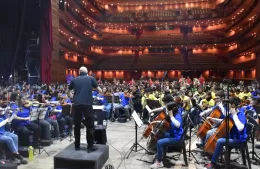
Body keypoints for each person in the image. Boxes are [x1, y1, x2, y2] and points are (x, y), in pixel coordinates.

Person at [205, 97, 247, 169]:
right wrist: (213, 119)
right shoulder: (231, 113)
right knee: (211, 133)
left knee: (220, 141)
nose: (228, 106)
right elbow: (223, 121)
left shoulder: (240, 114)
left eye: (229, 104)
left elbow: (240, 127)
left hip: (239, 139)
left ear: (233, 105)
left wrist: (234, 115)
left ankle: (213, 163)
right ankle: (213, 155)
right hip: (231, 136)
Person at [68, 66, 102, 152]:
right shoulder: (91, 78)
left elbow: (68, 92)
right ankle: (90, 147)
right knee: (89, 125)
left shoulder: (74, 80)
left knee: (77, 125)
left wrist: (72, 97)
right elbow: (99, 90)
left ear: (79, 72)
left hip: (77, 104)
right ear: (87, 72)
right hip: (87, 104)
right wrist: (101, 91)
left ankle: (77, 146)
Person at [150, 102, 183, 169]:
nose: (166, 111)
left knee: (160, 142)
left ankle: (159, 162)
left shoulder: (177, 115)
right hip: (172, 134)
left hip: (177, 138)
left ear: (172, 110)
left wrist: (171, 117)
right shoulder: (174, 112)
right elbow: (163, 108)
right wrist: (155, 119)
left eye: (168, 110)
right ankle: (159, 154)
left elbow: (178, 125)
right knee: (159, 134)